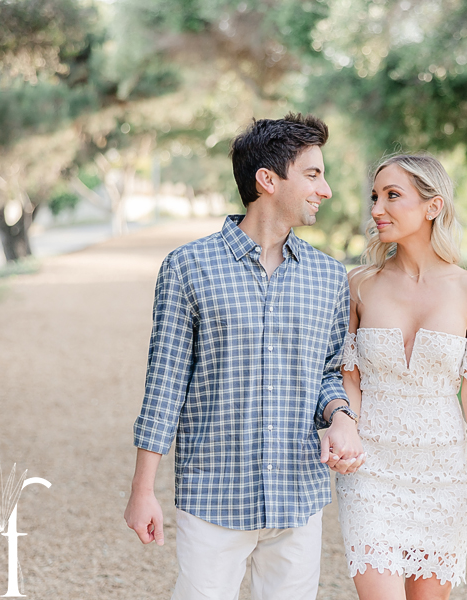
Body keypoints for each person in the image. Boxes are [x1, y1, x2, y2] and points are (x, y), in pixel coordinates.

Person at [123, 113, 365, 600]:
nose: (325, 190)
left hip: (298, 496)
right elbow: (165, 384)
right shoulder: (188, 267)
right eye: (313, 175)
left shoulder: (328, 277)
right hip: (213, 496)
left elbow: (327, 374)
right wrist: (142, 490)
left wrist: (342, 417)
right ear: (267, 180)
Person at [335, 154, 467, 600]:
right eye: (375, 197)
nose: (377, 208)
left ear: (433, 206)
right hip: (370, 470)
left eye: (392, 195)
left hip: (444, 474)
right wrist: (347, 427)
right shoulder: (359, 284)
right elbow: (349, 376)